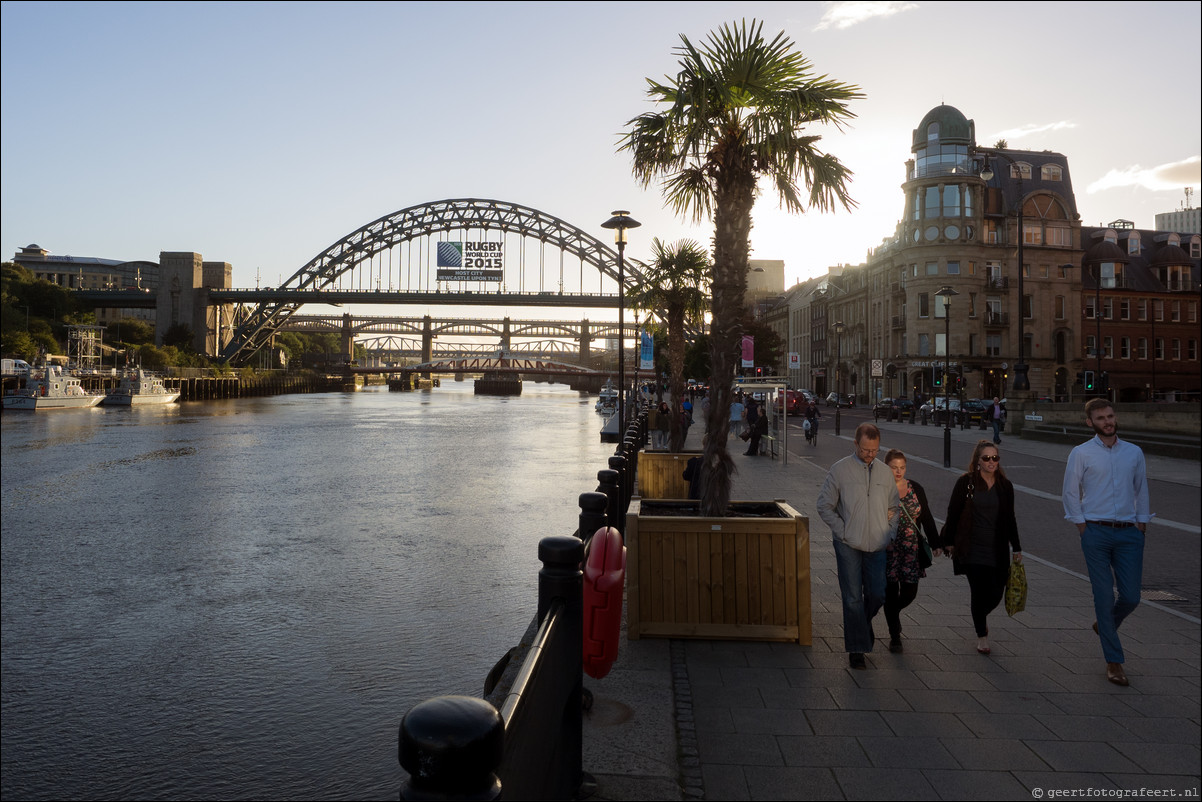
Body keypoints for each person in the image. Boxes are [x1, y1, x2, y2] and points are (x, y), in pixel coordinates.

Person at [1062, 399, 1151, 687]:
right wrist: (1081, 527)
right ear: (1090, 422)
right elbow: (1070, 492)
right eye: (1101, 418)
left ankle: (1105, 624)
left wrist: (1141, 525)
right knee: (1103, 596)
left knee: (1131, 597)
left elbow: (1141, 488)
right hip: (1095, 533)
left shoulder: (1134, 453)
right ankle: (1114, 662)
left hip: (1129, 534)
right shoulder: (1081, 453)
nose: (1108, 421)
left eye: (1110, 416)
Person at [817, 423, 899, 669]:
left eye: (874, 450)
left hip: (877, 543)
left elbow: (894, 507)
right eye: (865, 450)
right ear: (856, 444)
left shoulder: (885, 473)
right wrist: (843, 532)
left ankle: (860, 628)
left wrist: (889, 533)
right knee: (852, 597)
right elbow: (824, 505)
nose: (870, 454)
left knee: (877, 593)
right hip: (847, 544)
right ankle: (857, 649)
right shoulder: (840, 470)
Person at [939, 440, 1022, 655]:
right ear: (978, 461)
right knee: (978, 591)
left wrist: (1017, 547)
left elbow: (1010, 518)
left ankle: (980, 616)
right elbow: (953, 512)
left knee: (995, 593)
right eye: (986, 458)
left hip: (997, 548)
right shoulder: (966, 483)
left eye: (995, 457)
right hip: (971, 547)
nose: (991, 461)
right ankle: (982, 636)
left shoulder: (1005, 486)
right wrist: (948, 541)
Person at [881, 449, 941, 653]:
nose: (898, 471)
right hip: (888, 550)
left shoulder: (915, 488)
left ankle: (892, 612)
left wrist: (936, 542)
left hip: (911, 550)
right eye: (894, 467)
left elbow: (926, 517)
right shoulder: (880, 488)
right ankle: (894, 635)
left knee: (909, 593)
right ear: (886, 467)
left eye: (902, 467)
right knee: (890, 592)